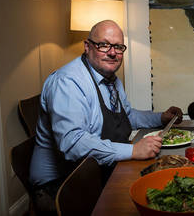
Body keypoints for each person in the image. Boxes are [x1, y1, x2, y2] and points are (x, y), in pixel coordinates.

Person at [29, 20, 183, 213]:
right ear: (87, 46)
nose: (112, 52)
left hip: (97, 171)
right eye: (104, 45)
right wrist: (133, 151)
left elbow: (126, 116)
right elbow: (73, 143)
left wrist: (161, 118)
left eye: (118, 47)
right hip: (60, 186)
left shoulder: (110, 78)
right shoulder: (67, 82)